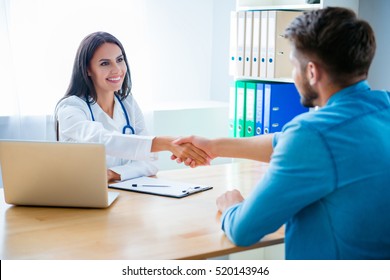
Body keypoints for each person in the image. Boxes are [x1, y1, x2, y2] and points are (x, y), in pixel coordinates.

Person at [174, 7, 390, 259]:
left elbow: (244, 230)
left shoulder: (312, 134)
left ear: (311, 72)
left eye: (293, 66)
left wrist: (231, 206)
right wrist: (214, 145)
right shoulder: (380, 108)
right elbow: (287, 143)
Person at [55, 31, 208, 182]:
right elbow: (101, 140)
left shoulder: (127, 103)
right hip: (83, 195)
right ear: (87, 69)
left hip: (122, 192)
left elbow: (150, 162)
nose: (117, 69)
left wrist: (113, 174)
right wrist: (166, 143)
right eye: (105, 63)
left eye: (119, 60)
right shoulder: (71, 108)